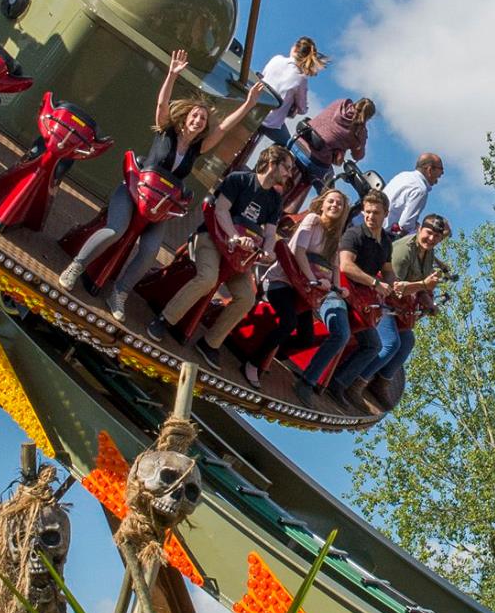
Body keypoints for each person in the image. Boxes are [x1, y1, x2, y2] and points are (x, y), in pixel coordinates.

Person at [58, 50, 265, 317]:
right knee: (115, 230)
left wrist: (248, 105)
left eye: (202, 120)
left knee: (150, 251)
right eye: (194, 116)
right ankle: (76, 266)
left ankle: (119, 293)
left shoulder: (197, 148)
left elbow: (224, 128)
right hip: (134, 191)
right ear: (185, 117)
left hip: (160, 206)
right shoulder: (167, 130)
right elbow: (162, 105)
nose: (197, 120)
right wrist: (172, 74)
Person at [150, 145, 297, 365]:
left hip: (239, 256)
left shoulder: (275, 200)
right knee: (208, 278)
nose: (289, 173)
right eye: (287, 167)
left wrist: (266, 251)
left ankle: (210, 343)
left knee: (247, 297)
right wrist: (234, 236)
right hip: (213, 238)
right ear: (273, 163)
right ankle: (164, 319)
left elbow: (269, 234)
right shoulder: (239, 180)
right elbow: (220, 210)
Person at [331, 212, 447, 401]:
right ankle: (351, 382)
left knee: (407, 341)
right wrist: (424, 285)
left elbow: (419, 288)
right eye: (428, 233)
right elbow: (395, 290)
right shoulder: (404, 252)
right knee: (390, 342)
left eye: (436, 236)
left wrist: (428, 303)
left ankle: (379, 381)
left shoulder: (428, 252)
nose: (431, 238)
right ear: (419, 230)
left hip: (398, 306)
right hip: (379, 299)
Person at [298, 187, 398, 401]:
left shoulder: (386, 243)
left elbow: (388, 272)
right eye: (367, 212)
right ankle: (306, 381)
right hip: (338, 292)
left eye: (376, 213)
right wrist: (374, 282)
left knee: (374, 345)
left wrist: (394, 287)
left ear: (386, 214)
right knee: (341, 333)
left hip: (361, 301)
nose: (370, 216)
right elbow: (345, 266)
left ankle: (338, 384)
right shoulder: (355, 234)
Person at [248, 187, 349, 389]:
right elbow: (299, 252)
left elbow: (334, 266)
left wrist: (338, 288)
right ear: (322, 203)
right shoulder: (312, 220)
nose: (334, 205)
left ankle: (271, 352)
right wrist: (312, 279)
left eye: (339, 203)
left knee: (307, 338)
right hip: (281, 281)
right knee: (288, 322)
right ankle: (253, 362)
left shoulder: (334, 237)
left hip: (301, 291)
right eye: (331, 201)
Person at [252, 36, 329, 156]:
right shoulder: (301, 78)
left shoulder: (276, 59)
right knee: (288, 146)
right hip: (270, 123)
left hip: (253, 109)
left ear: (294, 48)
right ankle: (261, 167)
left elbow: (263, 78)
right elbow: (303, 109)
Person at [289, 95, 374, 200]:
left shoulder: (341, 103)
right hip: (315, 162)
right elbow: (358, 156)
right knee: (329, 191)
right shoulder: (360, 131)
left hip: (296, 142)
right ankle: (318, 211)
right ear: (369, 117)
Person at [381, 152, 444, 234]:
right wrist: (418, 229)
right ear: (430, 170)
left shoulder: (403, 175)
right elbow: (405, 225)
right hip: (382, 236)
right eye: (441, 169)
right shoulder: (420, 189)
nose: (442, 174)